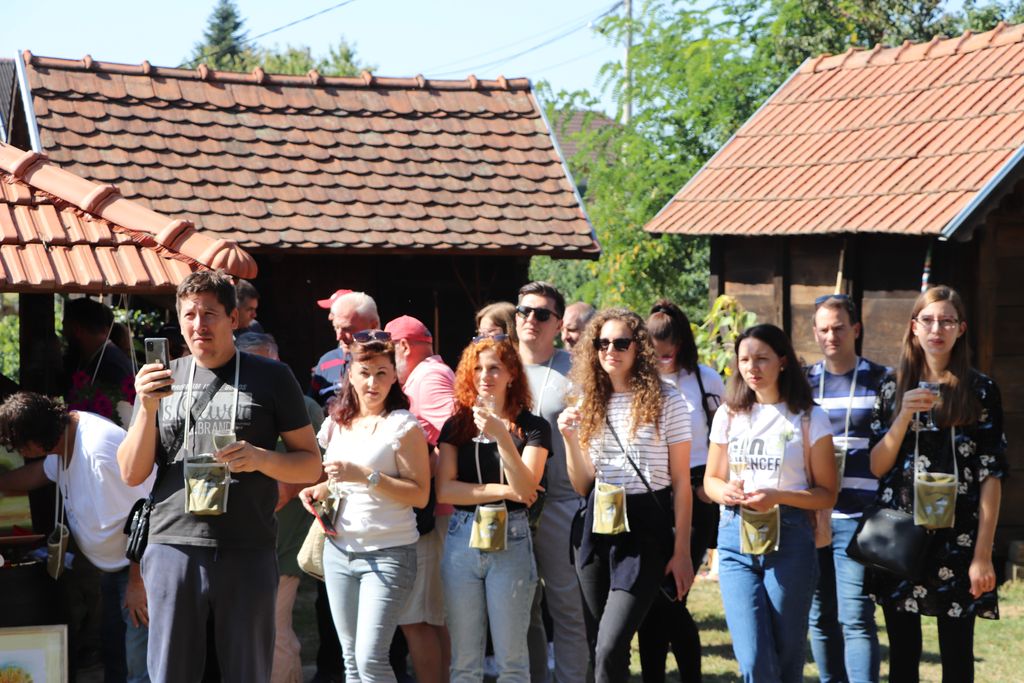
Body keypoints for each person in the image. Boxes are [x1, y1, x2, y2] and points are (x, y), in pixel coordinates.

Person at [118, 269, 322, 683]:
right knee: (170, 672)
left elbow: (309, 464)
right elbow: (130, 471)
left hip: (246, 546)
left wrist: (261, 458)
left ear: (233, 318)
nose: (199, 324)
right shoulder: (162, 379)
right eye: (190, 314)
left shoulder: (272, 377)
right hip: (172, 543)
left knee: (245, 671)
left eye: (210, 313)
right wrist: (147, 407)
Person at [867, 286, 1006, 683]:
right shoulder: (893, 387)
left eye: (946, 320)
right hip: (901, 538)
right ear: (914, 327)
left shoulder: (980, 390)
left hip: (959, 541)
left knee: (958, 659)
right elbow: (877, 467)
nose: (936, 329)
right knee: (904, 659)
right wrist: (902, 417)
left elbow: (992, 475)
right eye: (927, 320)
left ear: (961, 328)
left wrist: (983, 554)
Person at [558, 308, 694, 683]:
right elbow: (582, 484)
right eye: (602, 343)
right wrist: (570, 439)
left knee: (609, 646)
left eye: (621, 342)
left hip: (646, 530)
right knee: (601, 649)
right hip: (594, 526)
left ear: (640, 348)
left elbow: (682, 483)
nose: (610, 351)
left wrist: (681, 550)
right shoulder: (587, 401)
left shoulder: (669, 402)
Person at [703, 324, 837, 683]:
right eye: (744, 360)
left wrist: (778, 496)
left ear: (782, 361)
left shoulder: (810, 416)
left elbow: (827, 493)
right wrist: (724, 491)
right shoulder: (728, 414)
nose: (752, 368)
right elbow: (710, 481)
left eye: (761, 358)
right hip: (735, 538)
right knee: (753, 657)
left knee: (787, 653)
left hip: (791, 538)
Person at [300, 331, 431, 683]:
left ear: (394, 376)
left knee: (371, 660)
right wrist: (318, 489)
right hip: (339, 552)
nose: (372, 382)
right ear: (350, 374)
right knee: (351, 662)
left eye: (382, 373)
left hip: (389, 554)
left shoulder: (403, 426)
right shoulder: (336, 423)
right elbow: (341, 481)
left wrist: (366, 476)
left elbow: (420, 494)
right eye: (365, 371)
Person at [0, 392, 154, 683]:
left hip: (139, 571)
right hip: (112, 569)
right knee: (115, 656)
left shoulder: (96, 451)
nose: (20, 452)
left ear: (35, 441)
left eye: (19, 446)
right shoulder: (65, 436)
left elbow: (146, 515)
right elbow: (37, 475)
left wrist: (137, 583)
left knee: (139, 665)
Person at [437, 335, 550, 683]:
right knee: (464, 663)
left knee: (512, 662)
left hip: (512, 537)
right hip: (462, 536)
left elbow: (528, 487)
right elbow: (445, 489)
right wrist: (505, 489)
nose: (485, 375)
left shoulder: (533, 427)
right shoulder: (457, 425)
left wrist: (502, 436)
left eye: (495, 368)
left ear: (512, 374)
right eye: (478, 368)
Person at [638, 299, 726, 683]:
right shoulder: (639, 381)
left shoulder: (706, 379)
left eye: (670, 346)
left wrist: (710, 484)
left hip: (696, 492)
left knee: (675, 593)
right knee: (649, 598)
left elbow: (725, 438)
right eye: (655, 349)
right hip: (650, 494)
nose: (663, 355)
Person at [805, 296, 888, 683]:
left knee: (854, 616)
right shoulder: (803, 383)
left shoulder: (883, 379)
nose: (831, 335)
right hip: (812, 515)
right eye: (823, 329)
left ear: (855, 329)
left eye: (838, 327)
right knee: (819, 615)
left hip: (858, 516)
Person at [236, 332, 325, 683]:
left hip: (282, 543)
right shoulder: (230, 403)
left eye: (265, 365)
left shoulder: (304, 407)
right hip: (237, 542)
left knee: (273, 631)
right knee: (246, 633)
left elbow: (319, 469)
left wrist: (282, 489)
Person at [515, 281, 589, 683]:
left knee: (566, 607)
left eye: (541, 314)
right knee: (521, 607)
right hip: (510, 505)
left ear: (558, 323)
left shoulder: (576, 370)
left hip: (561, 503)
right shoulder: (500, 364)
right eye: (523, 311)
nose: (531, 319)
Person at [386, 315, 456, 683]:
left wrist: (422, 484)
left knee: (415, 618)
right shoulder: (429, 373)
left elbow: (452, 437)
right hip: (439, 511)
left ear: (403, 347)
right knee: (430, 617)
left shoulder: (428, 379)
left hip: (435, 514)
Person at [310, 290, 378, 406]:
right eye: (336, 328)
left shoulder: (390, 362)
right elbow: (310, 407)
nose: (338, 337)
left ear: (372, 326)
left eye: (347, 329)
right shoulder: (326, 361)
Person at [63, 296, 134, 392]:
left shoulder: (111, 366)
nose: (63, 333)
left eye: (65, 327)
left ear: (77, 330)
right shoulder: (102, 357)